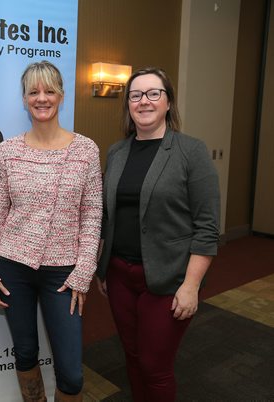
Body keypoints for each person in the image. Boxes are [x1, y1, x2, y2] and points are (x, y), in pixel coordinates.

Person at [0, 60, 103, 401]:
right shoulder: (8, 151)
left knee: (72, 372)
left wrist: (83, 271)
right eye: (33, 91)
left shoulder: (86, 150)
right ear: (24, 99)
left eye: (49, 90)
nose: (42, 98)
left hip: (63, 274)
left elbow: (92, 215)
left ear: (61, 96)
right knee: (25, 352)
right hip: (12, 267)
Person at [96, 67, 220, 402]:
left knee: (155, 364)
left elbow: (207, 226)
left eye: (154, 93)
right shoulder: (116, 152)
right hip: (120, 275)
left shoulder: (190, 151)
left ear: (168, 102)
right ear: (128, 105)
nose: (144, 101)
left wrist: (191, 286)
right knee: (133, 356)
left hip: (168, 278)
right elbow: (108, 214)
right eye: (135, 95)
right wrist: (102, 266)